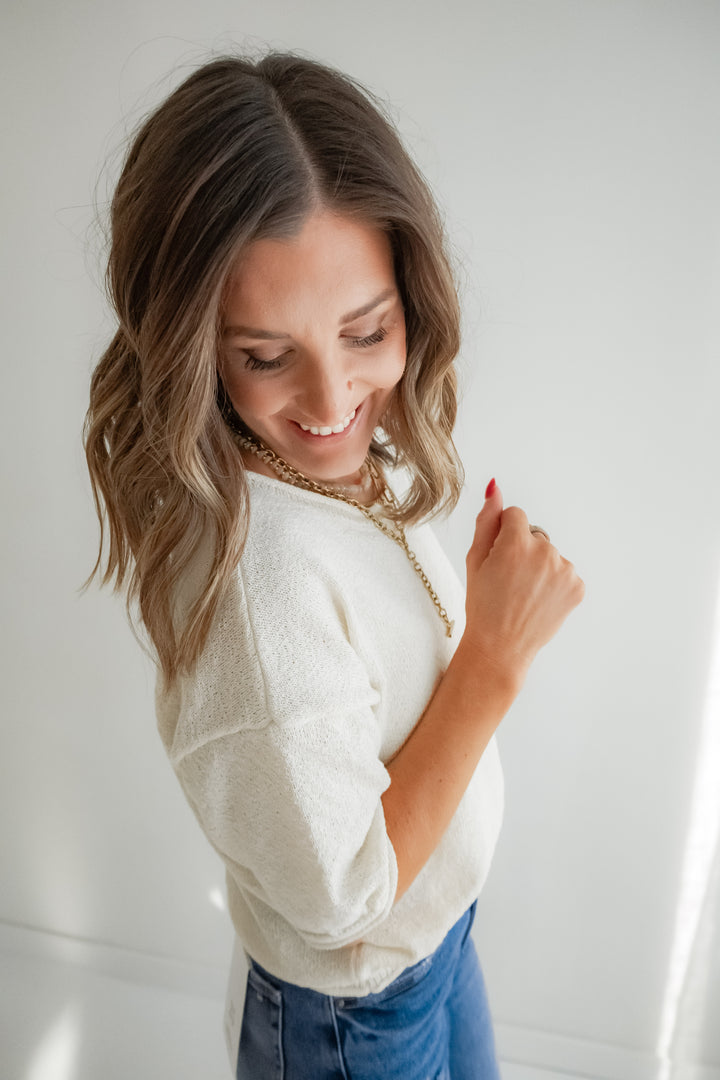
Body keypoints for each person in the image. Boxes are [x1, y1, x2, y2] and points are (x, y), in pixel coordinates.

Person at [84, 50, 585, 1080]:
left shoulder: (330, 466)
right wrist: (493, 656)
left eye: (366, 331)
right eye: (265, 356)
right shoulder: (254, 602)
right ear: (190, 347)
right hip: (360, 1022)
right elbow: (349, 896)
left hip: (434, 945)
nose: (328, 401)